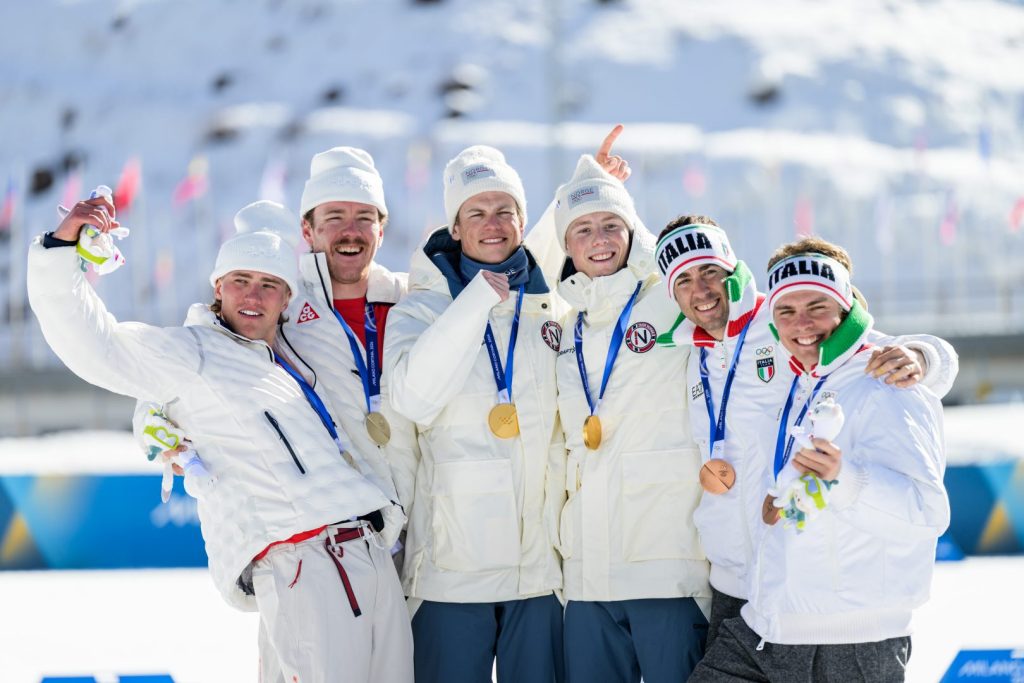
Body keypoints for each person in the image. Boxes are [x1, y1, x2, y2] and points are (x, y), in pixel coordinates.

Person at [28, 193, 413, 682]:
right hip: (306, 564)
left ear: (288, 298)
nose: (253, 296)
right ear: (218, 288)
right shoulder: (195, 352)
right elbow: (94, 345)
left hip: (369, 556)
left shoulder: (290, 359)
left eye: (269, 284)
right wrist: (62, 251)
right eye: (240, 281)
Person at [654, 221, 958, 649]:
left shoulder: (778, 323)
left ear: (733, 272)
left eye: (710, 272)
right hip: (732, 577)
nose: (701, 290)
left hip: (797, 581)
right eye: (683, 279)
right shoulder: (687, 351)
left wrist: (928, 357)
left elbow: (869, 352)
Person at [384, 145, 566, 682]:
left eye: (504, 211)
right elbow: (415, 399)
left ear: (523, 222)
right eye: (476, 213)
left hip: (539, 574)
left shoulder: (552, 309)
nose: (492, 225)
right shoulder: (419, 309)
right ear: (455, 229)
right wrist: (475, 302)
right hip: (449, 574)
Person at [550, 150, 710, 683]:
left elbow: (750, 301)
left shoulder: (671, 298)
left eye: (611, 226)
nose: (599, 240)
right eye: (583, 230)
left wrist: (924, 357)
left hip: (665, 565)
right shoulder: (563, 323)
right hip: (587, 577)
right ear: (565, 245)